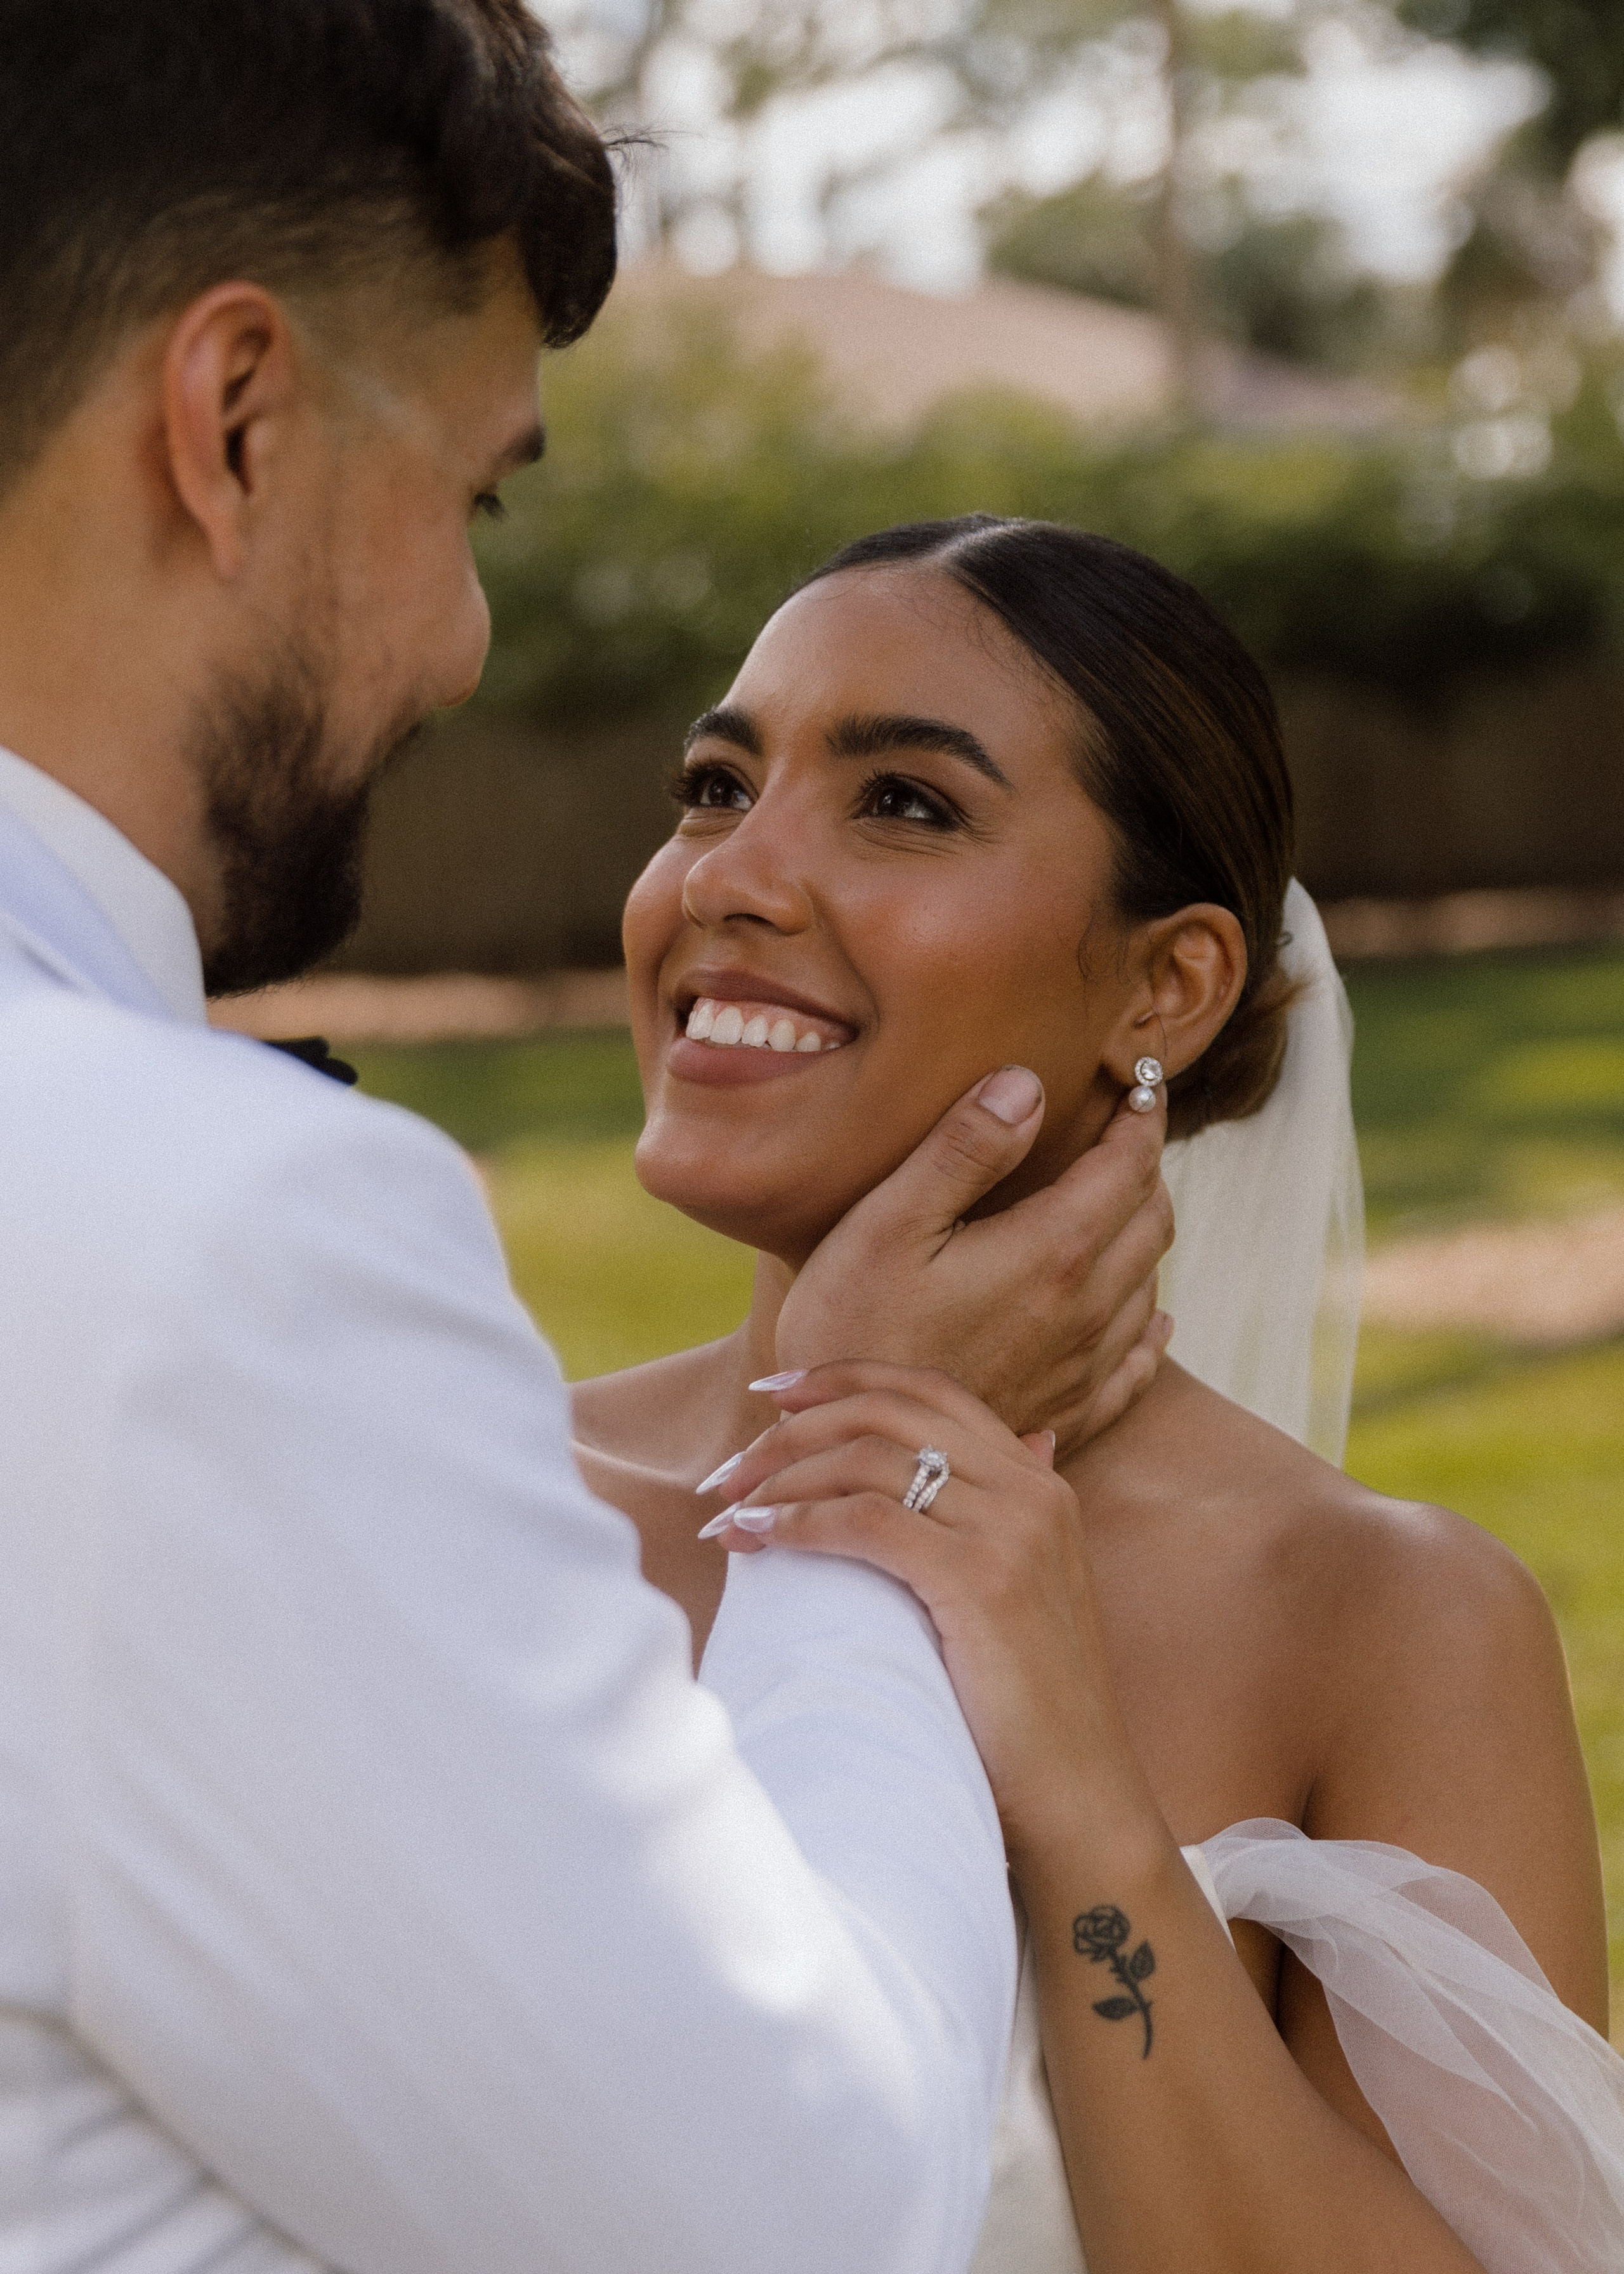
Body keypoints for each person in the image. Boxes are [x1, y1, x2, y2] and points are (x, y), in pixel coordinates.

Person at [0, 12, 1180, 2273]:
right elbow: (796, 2222)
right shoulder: (202, 1245)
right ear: (229, 423)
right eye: (475, 495)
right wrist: (874, 1472)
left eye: (904, 799)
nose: (460, 643)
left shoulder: (1371, 1602)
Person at [577, 513, 1624, 2273]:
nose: (729, 877)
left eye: (903, 802)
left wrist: (1077, 1793)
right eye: (713, 785)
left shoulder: (1377, 1618)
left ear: (1169, 982)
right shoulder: (485, 1497)